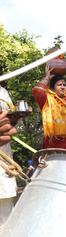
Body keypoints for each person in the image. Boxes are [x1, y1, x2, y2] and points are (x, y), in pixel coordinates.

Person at [32, 61, 66, 150]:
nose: (62, 87)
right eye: (59, 85)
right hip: (54, 144)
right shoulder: (47, 99)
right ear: (52, 88)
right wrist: (47, 78)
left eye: (64, 85)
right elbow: (38, 91)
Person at [0, 84, 18, 229]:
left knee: (6, 222)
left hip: (3, 157)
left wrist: (15, 118)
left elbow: (8, 121)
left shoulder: (3, 92)